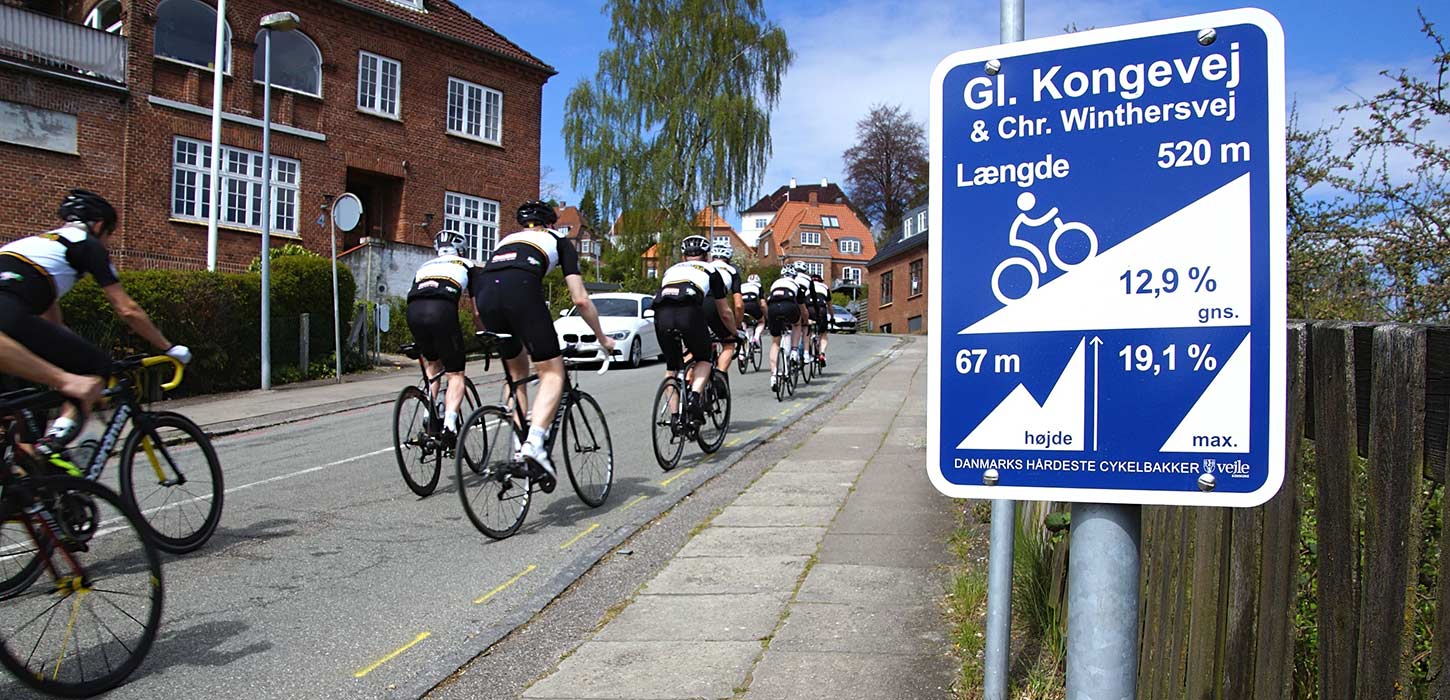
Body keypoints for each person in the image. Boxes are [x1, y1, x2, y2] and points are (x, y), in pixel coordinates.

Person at [0, 189, 189, 451]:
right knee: (96, 367)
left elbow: (53, 326)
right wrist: (169, 347)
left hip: (10, 327)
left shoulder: (33, 247)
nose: (107, 243)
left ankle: (27, 465)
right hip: (7, 320)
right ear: (98, 226)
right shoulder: (86, 244)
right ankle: (54, 443)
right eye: (109, 236)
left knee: (29, 412)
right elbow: (127, 310)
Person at [471, 200, 613, 492]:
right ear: (551, 223)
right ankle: (535, 444)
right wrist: (602, 338)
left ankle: (518, 446)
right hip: (521, 291)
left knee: (517, 374)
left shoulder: (506, 241)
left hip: (486, 296)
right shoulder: (559, 241)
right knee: (552, 372)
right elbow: (580, 299)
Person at [405, 230, 482, 446]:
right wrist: (483, 334)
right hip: (442, 309)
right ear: (461, 250)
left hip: (413, 311)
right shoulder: (468, 265)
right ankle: (449, 425)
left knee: (433, 365)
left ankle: (428, 415)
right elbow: (477, 311)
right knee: (455, 373)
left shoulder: (424, 267)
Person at [653, 235, 735, 423]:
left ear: (684, 256)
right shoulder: (711, 270)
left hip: (661, 314)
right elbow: (724, 312)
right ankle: (695, 398)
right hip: (688, 311)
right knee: (704, 358)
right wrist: (733, 333)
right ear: (707, 256)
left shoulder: (671, 270)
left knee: (672, 368)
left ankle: (675, 418)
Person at [705, 242, 743, 375]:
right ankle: (719, 377)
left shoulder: (704, 267)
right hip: (713, 304)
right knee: (729, 343)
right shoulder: (732, 271)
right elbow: (738, 305)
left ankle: (687, 380)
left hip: (693, 304)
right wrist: (736, 327)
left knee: (695, 347)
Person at [764, 265, 804, 392]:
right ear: (794, 276)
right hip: (789, 306)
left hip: (773, 308)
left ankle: (774, 375)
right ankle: (794, 351)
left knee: (775, 342)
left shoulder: (775, 284)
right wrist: (805, 320)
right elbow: (803, 308)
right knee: (797, 324)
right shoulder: (796, 284)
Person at [789, 261, 814, 363]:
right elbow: (813, 295)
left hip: (790, 302)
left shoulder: (791, 276)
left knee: (792, 325)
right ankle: (806, 354)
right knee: (805, 326)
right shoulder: (808, 279)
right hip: (804, 302)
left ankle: (790, 350)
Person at [810, 273, 831, 366]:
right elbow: (829, 305)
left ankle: (808, 350)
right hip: (821, 309)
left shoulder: (808, 286)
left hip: (809, 308)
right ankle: (822, 353)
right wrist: (832, 317)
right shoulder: (825, 287)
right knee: (823, 334)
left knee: (807, 331)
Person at [740, 274, 765, 346]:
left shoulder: (742, 286)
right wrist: (766, 315)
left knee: (743, 322)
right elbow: (763, 304)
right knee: (761, 322)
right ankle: (756, 337)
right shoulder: (758, 286)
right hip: (752, 304)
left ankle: (744, 339)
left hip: (742, 305)